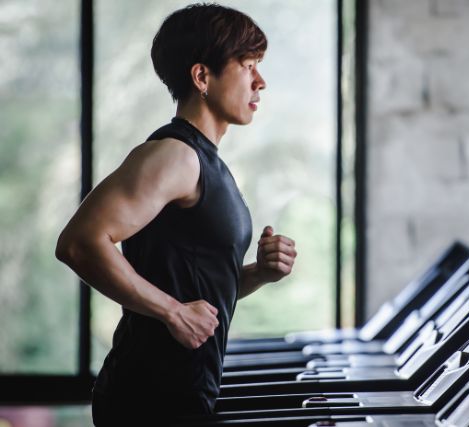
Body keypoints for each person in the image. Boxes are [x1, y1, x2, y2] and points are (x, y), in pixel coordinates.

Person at [55, 3, 297, 424]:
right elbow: (79, 242)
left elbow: (195, 287)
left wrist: (258, 272)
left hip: (185, 394)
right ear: (202, 76)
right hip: (148, 397)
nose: (261, 81)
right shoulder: (175, 156)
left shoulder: (207, 162)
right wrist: (171, 311)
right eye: (248, 65)